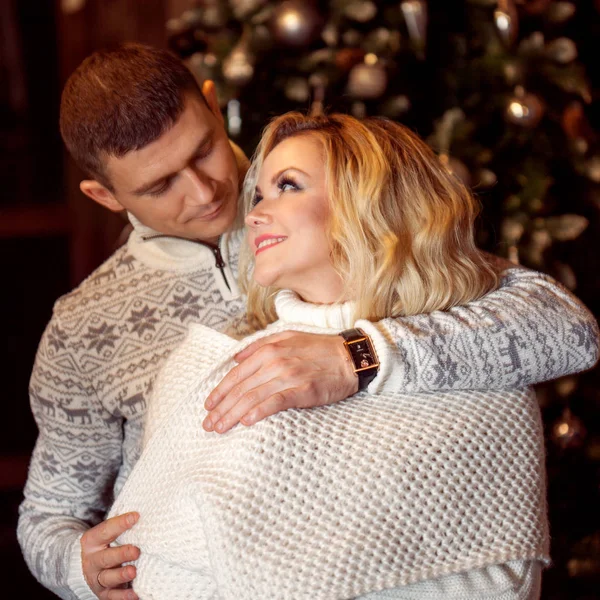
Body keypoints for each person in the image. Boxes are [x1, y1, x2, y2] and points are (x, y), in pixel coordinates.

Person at [17, 44, 597, 600]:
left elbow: (564, 330)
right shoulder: (82, 328)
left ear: (215, 106)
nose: (205, 192)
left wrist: (358, 355)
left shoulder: (341, 216)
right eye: (159, 185)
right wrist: (78, 567)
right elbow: (49, 511)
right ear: (103, 194)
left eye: (203, 150)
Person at [110, 112, 556, 600]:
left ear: (371, 203)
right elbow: (146, 558)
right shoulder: (203, 365)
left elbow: (500, 583)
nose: (254, 213)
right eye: (258, 194)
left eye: (288, 186)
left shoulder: (478, 362)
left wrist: (356, 357)